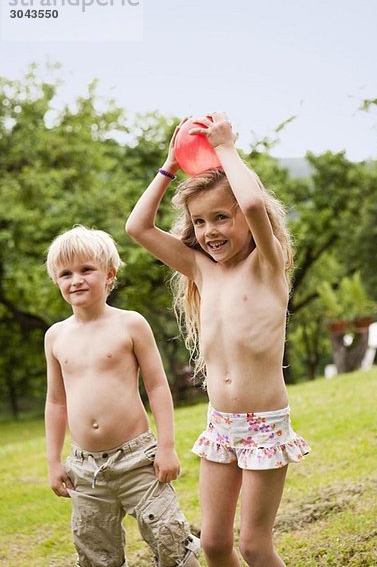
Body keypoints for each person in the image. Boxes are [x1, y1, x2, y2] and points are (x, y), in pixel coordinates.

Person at [126, 112, 310, 567]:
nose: (210, 231)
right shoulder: (200, 269)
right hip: (220, 425)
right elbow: (138, 228)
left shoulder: (268, 265)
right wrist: (170, 164)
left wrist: (226, 147)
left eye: (221, 218)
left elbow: (251, 204)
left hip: (264, 424)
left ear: (249, 222)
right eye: (200, 222)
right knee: (212, 544)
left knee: (254, 545)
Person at [44, 225, 200, 567]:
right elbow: (56, 401)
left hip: (138, 460)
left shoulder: (130, 324)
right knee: (96, 552)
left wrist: (167, 446)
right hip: (86, 470)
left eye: (87, 270)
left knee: (170, 539)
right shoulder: (56, 336)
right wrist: (54, 461)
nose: (76, 280)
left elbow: (158, 386)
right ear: (57, 281)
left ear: (110, 274)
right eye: (66, 274)